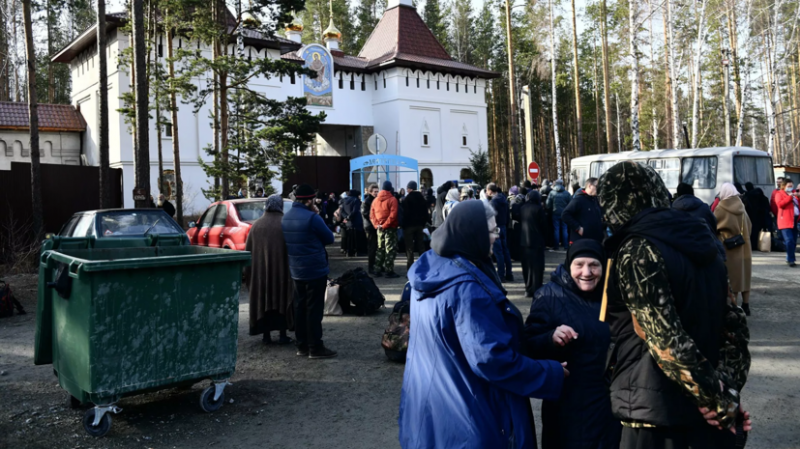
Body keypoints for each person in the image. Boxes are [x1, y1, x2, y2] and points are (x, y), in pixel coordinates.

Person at [599, 162, 751, 449]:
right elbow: (735, 325)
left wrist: (717, 403)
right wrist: (727, 393)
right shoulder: (702, 239)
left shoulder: (637, 249)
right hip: (701, 410)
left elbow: (665, 339)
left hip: (655, 409)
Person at [398, 200, 567, 449]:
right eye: (492, 231)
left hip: (432, 409)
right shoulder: (467, 288)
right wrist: (550, 374)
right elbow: (491, 359)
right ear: (471, 233)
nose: (497, 237)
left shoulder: (432, 268)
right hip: (471, 416)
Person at [525, 239, 622, 449]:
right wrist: (550, 338)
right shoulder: (549, 295)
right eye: (579, 265)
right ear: (569, 266)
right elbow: (528, 346)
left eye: (594, 265)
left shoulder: (615, 296)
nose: (586, 272)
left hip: (608, 404)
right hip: (567, 404)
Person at [281, 184, 337, 359]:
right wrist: (317, 215)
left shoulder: (286, 217)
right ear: (309, 200)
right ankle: (315, 347)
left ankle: (301, 345)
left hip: (296, 269)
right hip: (315, 269)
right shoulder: (313, 218)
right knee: (314, 309)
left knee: (299, 306)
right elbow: (330, 238)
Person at [246, 194, 294, 345]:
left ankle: (265, 335)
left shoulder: (256, 225)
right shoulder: (285, 223)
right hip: (282, 271)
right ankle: (282, 334)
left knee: (264, 299)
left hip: (261, 273)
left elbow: (248, 251)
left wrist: (249, 273)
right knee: (282, 298)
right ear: (280, 205)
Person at [714, 182, 753, 315]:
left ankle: (734, 306)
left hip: (729, 247)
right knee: (745, 277)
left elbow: (715, 226)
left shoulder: (721, 207)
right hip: (744, 245)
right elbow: (749, 224)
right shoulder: (742, 206)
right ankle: (746, 305)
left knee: (733, 277)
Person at [515, 190, 547, 296]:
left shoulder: (523, 208)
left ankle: (528, 288)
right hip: (537, 242)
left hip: (524, 242)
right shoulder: (539, 209)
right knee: (537, 267)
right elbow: (544, 226)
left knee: (526, 267)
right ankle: (536, 288)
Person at [370, 181, 400, 278]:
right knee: (390, 249)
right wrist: (385, 225)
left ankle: (377, 269)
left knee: (380, 248)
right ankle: (388, 270)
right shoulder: (392, 199)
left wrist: (377, 225)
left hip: (379, 228)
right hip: (390, 228)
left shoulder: (375, 200)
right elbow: (393, 215)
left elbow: (372, 215)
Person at [561, 177, 603, 244]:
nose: (599, 188)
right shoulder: (579, 199)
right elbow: (565, 215)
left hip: (594, 241)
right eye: (597, 186)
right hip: (582, 242)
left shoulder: (594, 200)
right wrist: (578, 228)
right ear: (589, 186)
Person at [486, 183, 514, 282]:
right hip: (503, 226)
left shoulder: (493, 202)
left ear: (490, 191)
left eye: (487, 190)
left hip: (496, 228)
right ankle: (509, 274)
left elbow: (490, 217)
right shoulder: (504, 199)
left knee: (499, 253)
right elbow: (507, 214)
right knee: (505, 251)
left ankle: (501, 275)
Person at [401, 181, 428, 270]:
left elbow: (404, 214)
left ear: (410, 189)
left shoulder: (407, 199)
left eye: (407, 188)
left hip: (409, 226)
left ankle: (410, 267)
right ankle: (424, 266)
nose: (407, 190)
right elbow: (426, 213)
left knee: (409, 248)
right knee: (421, 246)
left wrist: (403, 225)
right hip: (420, 226)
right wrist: (423, 224)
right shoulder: (422, 198)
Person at [775, 178, 799, 267]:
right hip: (785, 221)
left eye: (792, 186)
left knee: (793, 242)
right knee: (789, 240)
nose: (791, 188)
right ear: (784, 186)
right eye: (789, 186)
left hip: (794, 221)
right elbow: (780, 204)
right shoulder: (779, 194)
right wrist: (790, 197)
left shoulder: (793, 195)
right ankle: (791, 260)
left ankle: (789, 257)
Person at [743, 182, 772, 251]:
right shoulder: (764, 198)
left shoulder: (748, 196)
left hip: (752, 218)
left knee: (752, 233)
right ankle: (761, 245)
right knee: (762, 232)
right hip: (762, 219)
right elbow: (768, 209)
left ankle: (753, 246)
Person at [546, 179, 572, 251]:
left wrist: (550, 209)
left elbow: (548, 204)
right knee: (564, 229)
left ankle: (556, 246)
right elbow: (571, 203)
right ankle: (566, 245)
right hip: (564, 213)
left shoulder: (552, 193)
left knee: (556, 229)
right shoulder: (567, 193)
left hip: (555, 213)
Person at [341, 190, 365, 257]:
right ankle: (357, 251)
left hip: (348, 222)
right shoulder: (356, 200)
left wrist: (346, 217)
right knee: (357, 238)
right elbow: (355, 210)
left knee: (349, 237)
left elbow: (342, 211)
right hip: (356, 221)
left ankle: (349, 252)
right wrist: (350, 217)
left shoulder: (344, 200)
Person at [361, 184, 380, 274]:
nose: (376, 193)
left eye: (377, 191)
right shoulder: (367, 201)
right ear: (370, 192)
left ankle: (375, 266)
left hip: (374, 225)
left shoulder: (375, 200)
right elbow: (365, 213)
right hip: (370, 226)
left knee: (376, 247)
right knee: (372, 247)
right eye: (375, 192)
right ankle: (371, 267)